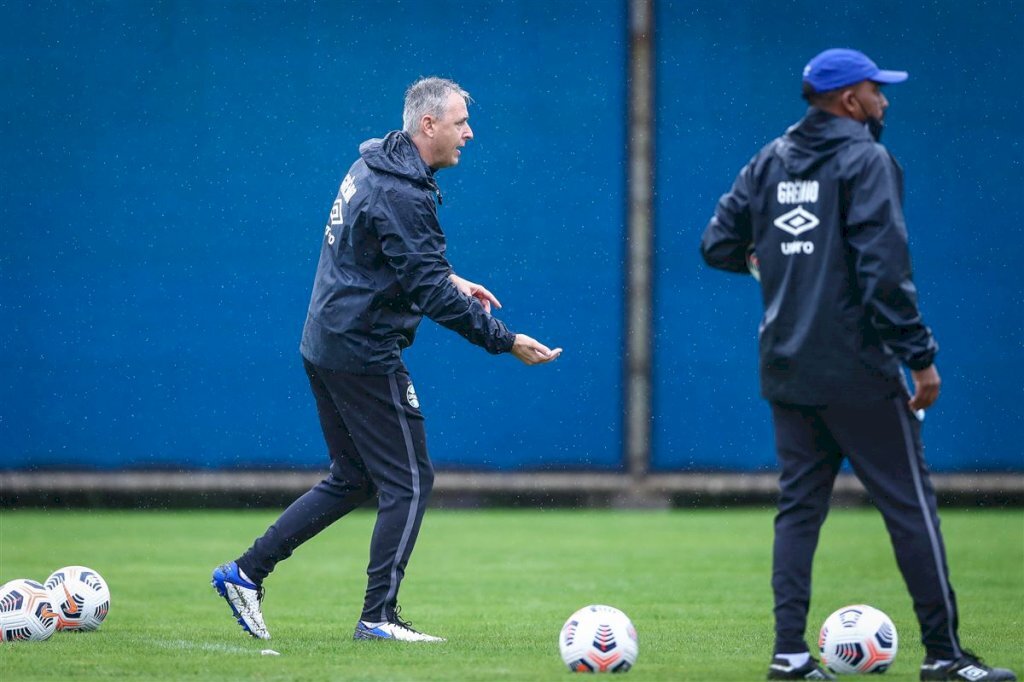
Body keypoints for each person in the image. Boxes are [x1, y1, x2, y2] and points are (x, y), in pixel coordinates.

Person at [700, 49, 1017, 682]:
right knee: (910, 508)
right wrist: (920, 358)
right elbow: (884, 271)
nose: (884, 100)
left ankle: (790, 657)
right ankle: (945, 656)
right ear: (850, 99)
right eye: (877, 90)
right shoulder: (866, 159)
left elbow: (717, 245)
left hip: (786, 366)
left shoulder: (768, 160)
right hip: (857, 368)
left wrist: (778, 261)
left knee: (798, 511)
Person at [212, 77, 562, 643]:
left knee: (354, 478)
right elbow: (428, 291)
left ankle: (245, 573)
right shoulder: (402, 190)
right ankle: (379, 617)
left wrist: (450, 278)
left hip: (326, 342)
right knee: (410, 480)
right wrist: (506, 340)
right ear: (428, 124)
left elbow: (389, 256)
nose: (469, 133)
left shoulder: (374, 166)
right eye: (460, 122)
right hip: (362, 351)